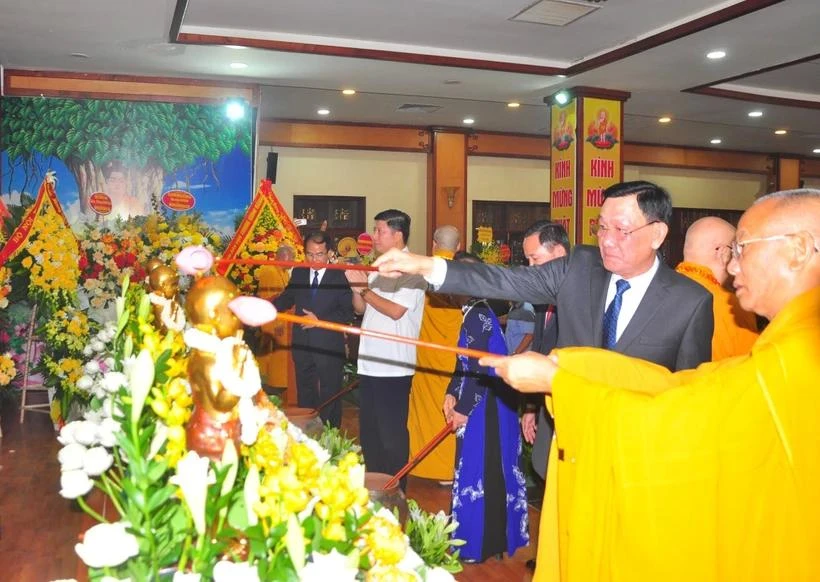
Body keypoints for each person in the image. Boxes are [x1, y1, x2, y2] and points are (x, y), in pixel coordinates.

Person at [477, 188, 820, 582]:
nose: (731, 268)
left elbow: (678, 421)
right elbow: (686, 387)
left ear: (797, 249)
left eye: (741, 249)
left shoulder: (800, 354)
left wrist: (562, 381)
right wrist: (568, 368)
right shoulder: (791, 341)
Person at [444, 251, 529, 563]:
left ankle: (481, 543)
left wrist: (464, 407)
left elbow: (481, 369)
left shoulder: (479, 314)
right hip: (477, 400)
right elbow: (462, 361)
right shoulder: (471, 312)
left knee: (484, 470)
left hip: (487, 405)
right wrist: (451, 393)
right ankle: (476, 541)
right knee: (475, 469)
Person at [345, 209, 426, 491]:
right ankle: (376, 491)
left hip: (393, 365)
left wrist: (364, 289)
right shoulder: (379, 267)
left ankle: (396, 492)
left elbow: (394, 311)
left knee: (391, 435)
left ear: (398, 235)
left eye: (380, 231)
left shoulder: (413, 271)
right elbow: (362, 310)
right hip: (370, 362)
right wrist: (358, 292)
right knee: (370, 434)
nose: (374, 236)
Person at [273, 233, 353, 428]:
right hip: (302, 343)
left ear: (329, 253)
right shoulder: (299, 272)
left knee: (330, 392)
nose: (314, 260)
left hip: (328, 345)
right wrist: (265, 307)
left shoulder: (340, 276)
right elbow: (287, 298)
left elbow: (347, 313)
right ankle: (307, 433)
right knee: (304, 390)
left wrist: (320, 322)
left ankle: (330, 434)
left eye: (319, 254)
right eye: (309, 254)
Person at [407, 225, 462, 484]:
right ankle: (448, 469)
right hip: (454, 352)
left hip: (429, 353)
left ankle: (425, 464)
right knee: (450, 407)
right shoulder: (464, 273)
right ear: (459, 247)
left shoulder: (426, 271)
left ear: (432, 244)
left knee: (428, 409)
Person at [518, 221, 569, 488]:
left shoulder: (581, 299)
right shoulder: (542, 297)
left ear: (558, 254)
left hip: (569, 406)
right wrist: (530, 407)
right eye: (526, 259)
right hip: (545, 404)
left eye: (534, 258)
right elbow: (539, 348)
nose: (530, 267)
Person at [676, 216, 759, 360]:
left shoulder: (653, 291)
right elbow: (752, 366)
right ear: (723, 253)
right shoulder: (733, 307)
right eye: (736, 252)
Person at [257, 245, 296, 391]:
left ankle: (283, 385)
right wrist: (278, 322)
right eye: (292, 257)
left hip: (284, 320)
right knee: (275, 355)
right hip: (273, 321)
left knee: (282, 356)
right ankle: (273, 385)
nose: (294, 260)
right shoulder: (270, 271)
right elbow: (271, 301)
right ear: (283, 257)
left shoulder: (284, 273)